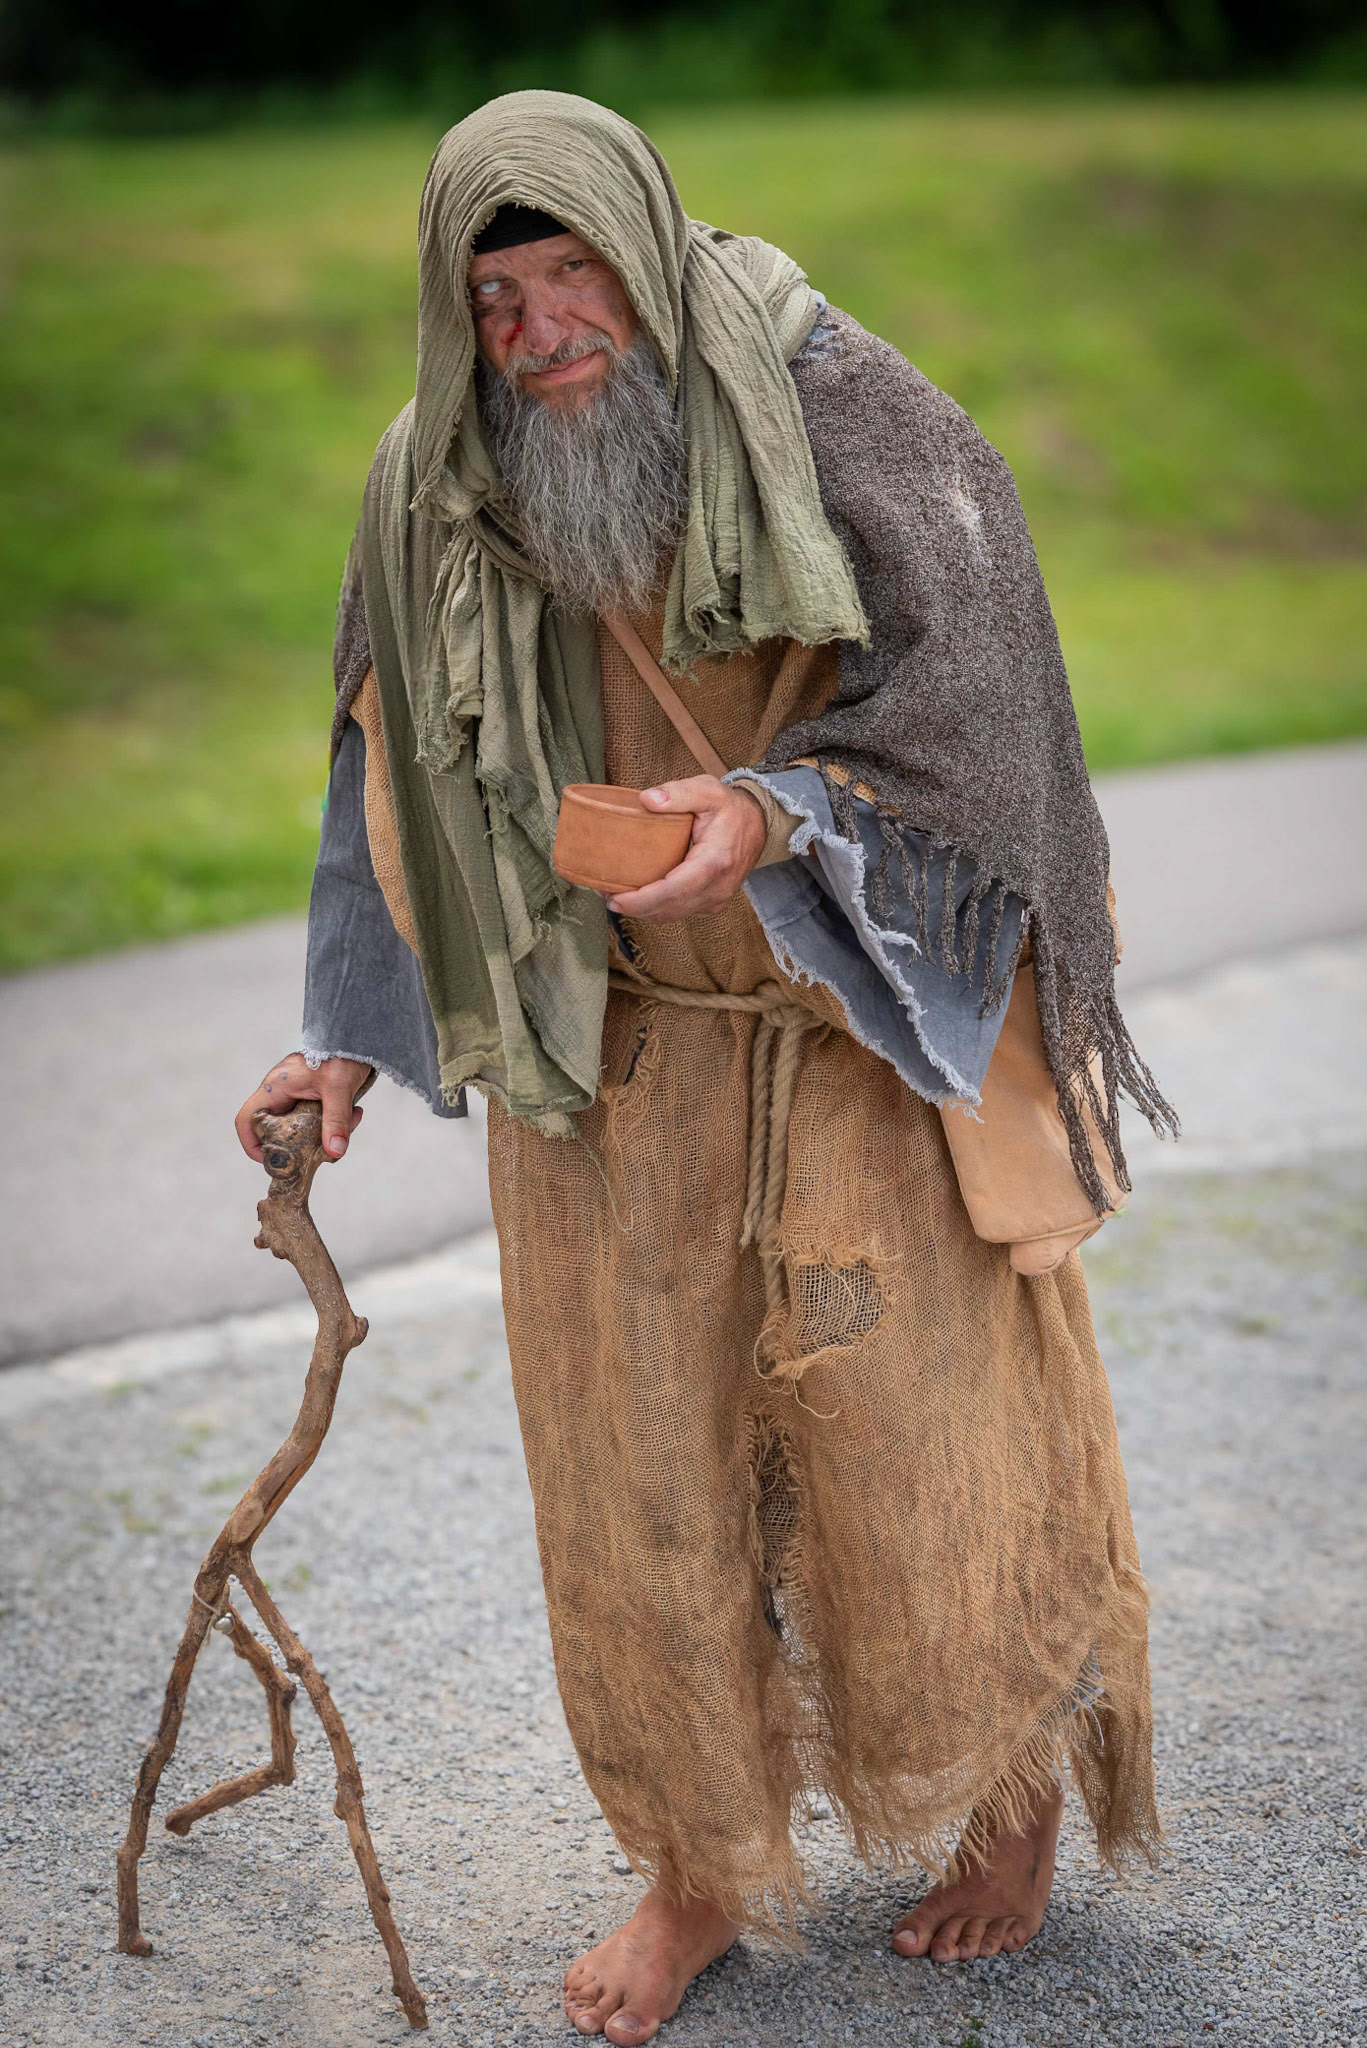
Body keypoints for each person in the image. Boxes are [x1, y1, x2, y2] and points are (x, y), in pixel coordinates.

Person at [236, 91, 1176, 2045]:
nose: (540, 329)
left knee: (919, 1434)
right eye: (492, 295)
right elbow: (383, 769)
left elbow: (986, 704)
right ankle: (697, 1860)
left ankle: (998, 1802)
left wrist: (769, 817)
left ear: (646, 248)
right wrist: (339, 1036)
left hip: (850, 1021)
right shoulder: (436, 480)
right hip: (616, 1046)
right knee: (632, 1476)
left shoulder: (848, 410)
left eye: (571, 268)